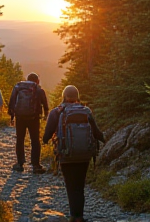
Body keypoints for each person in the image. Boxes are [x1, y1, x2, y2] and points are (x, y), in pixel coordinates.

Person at [43, 85, 105, 222]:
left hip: (66, 154)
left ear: (64, 96)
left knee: (71, 186)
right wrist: (104, 138)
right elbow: (96, 133)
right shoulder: (87, 111)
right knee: (80, 185)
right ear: (77, 97)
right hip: (84, 155)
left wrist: (45, 140)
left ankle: (74, 216)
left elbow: (47, 135)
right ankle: (80, 217)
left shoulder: (57, 112)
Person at [8, 72, 49, 174]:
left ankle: (20, 164)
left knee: (20, 139)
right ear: (37, 81)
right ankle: (36, 165)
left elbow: (12, 101)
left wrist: (12, 116)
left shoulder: (18, 87)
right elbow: (45, 105)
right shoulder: (39, 89)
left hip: (20, 117)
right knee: (35, 140)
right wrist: (45, 116)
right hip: (34, 118)